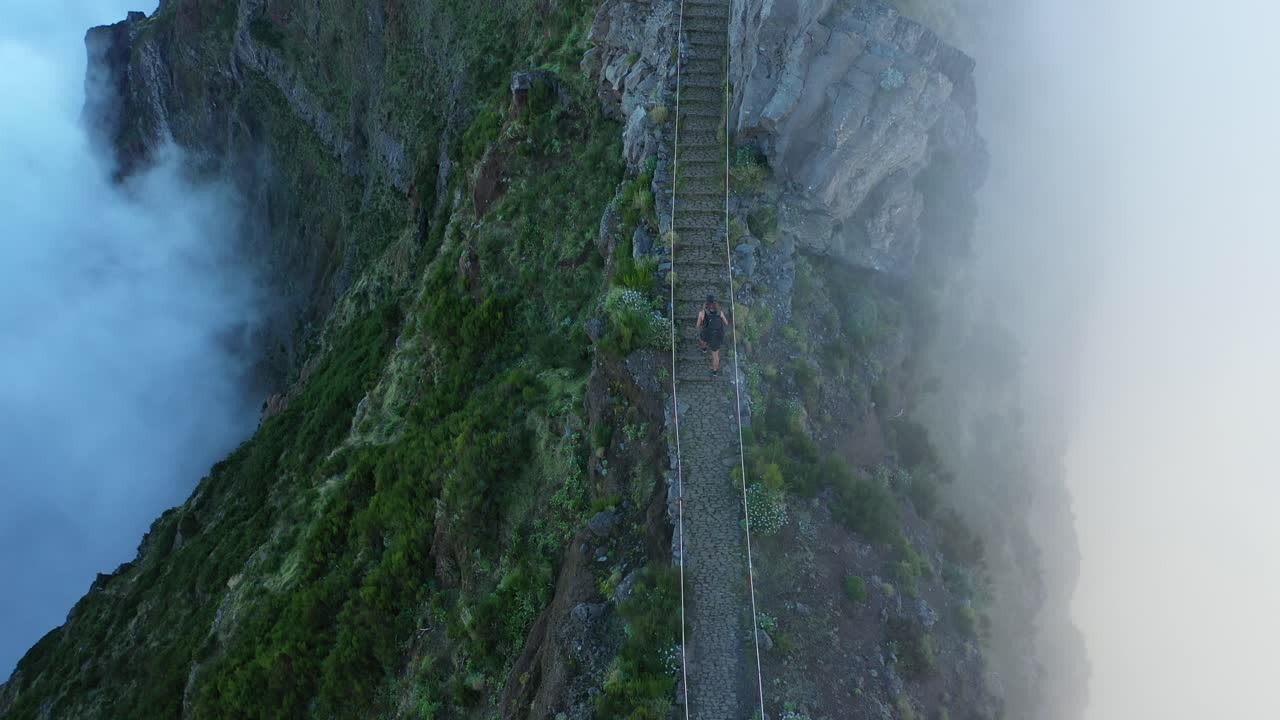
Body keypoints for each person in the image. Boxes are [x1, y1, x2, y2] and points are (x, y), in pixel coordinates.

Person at [696, 294, 731, 377]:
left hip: (707, 333)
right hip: (717, 336)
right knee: (715, 355)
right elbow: (726, 323)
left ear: (706, 302)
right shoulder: (720, 312)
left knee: (702, 338)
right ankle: (715, 372)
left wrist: (703, 324)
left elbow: (698, 326)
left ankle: (704, 349)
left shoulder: (702, 313)